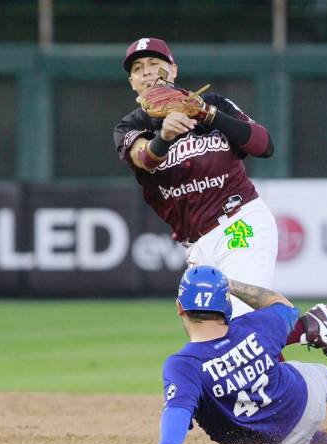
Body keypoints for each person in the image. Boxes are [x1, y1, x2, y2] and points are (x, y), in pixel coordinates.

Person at [145, 265, 327, 444]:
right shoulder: (254, 325)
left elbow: (177, 411)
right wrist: (234, 285)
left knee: (293, 441)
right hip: (304, 400)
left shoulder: (182, 365)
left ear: (180, 307)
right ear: (226, 307)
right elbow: (284, 306)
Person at [113, 37, 278, 318]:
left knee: (240, 325)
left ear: (173, 70)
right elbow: (144, 159)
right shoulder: (130, 126)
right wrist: (163, 137)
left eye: (155, 63)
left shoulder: (212, 105)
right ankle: (307, 328)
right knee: (212, 337)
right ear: (132, 82)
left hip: (239, 224)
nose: (148, 72)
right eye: (138, 68)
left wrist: (207, 114)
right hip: (197, 247)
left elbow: (264, 145)